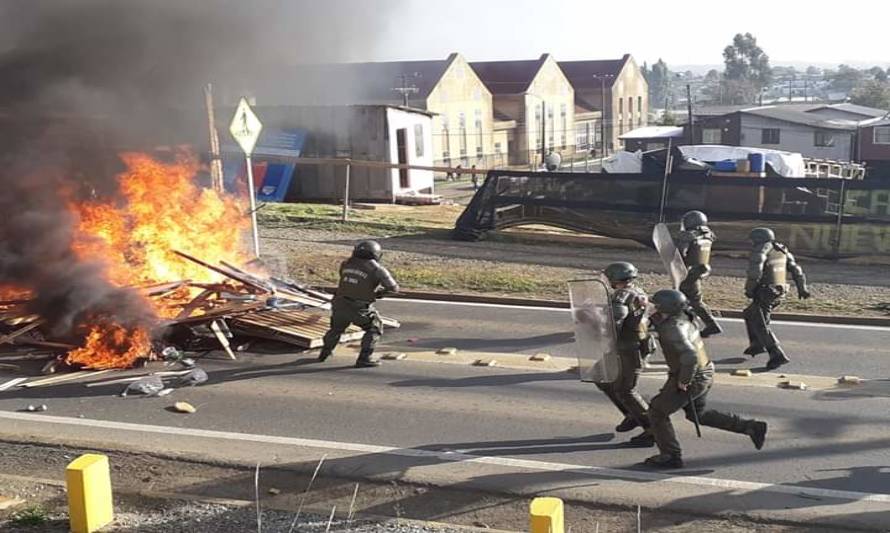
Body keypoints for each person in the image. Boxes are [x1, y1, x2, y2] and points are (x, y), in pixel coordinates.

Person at [644, 289, 768, 469]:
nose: (653, 307)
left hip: (691, 375)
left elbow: (689, 356)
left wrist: (684, 381)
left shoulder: (672, 328)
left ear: (665, 308)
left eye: (656, 305)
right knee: (697, 414)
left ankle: (670, 456)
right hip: (705, 370)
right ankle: (750, 427)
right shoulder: (685, 317)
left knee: (657, 411)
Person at [595, 262, 655, 447]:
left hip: (628, 348)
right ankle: (632, 414)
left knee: (626, 390)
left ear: (615, 279)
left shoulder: (621, 297)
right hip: (634, 344)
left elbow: (615, 323)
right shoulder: (638, 291)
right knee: (602, 377)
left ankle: (652, 429)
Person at [318, 240, 399, 368]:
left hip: (339, 303)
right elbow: (393, 289)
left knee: (336, 329)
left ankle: (325, 353)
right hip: (360, 307)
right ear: (377, 254)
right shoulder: (377, 269)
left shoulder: (346, 264)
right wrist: (379, 294)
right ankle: (365, 358)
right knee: (374, 328)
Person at [743, 227, 811, 370]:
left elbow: (755, 272)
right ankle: (757, 344)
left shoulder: (761, 250)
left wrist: (749, 290)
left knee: (761, 324)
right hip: (780, 290)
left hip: (765, 291)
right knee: (750, 313)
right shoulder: (781, 249)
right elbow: (796, 270)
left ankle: (776, 354)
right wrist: (802, 288)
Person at [676, 210, 722, 338]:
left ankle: (711, 325)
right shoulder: (707, 235)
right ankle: (688, 322)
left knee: (692, 299)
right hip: (700, 269)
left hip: (689, 271)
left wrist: (679, 242)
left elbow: (681, 253)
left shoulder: (689, 235)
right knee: (690, 298)